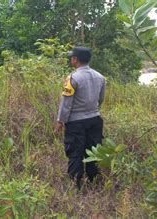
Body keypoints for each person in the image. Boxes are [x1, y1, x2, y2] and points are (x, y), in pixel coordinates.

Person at [54, 46, 106, 189]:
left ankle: (75, 186)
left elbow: (66, 103)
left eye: (72, 57)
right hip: (95, 120)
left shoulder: (72, 78)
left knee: (75, 153)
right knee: (93, 151)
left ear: (75, 59)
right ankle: (93, 182)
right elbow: (101, 99)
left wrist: (60, 121)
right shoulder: (100, 77)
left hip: (76, 123)